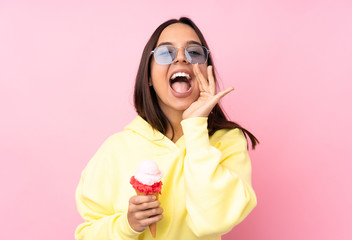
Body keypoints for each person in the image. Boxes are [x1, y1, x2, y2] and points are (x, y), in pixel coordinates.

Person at [75, 17, 259, 240]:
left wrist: (195, 128)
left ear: (207, 69)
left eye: (194, 52)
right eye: (165, 53)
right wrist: (127, 225)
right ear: (149, 76)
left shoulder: (227, 142)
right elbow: (87, 235)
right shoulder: (116, 149)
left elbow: (214, 221)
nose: (181, 58)